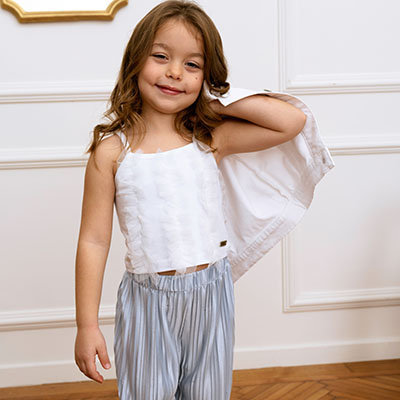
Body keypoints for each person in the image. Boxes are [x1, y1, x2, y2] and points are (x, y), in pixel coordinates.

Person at [74, 1, 334, 399]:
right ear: (135, 61)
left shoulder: (210, 138)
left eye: (192, 65)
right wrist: (87, 325)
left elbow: (291, 121)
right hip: (148, 300)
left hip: (212, 292)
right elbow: (93, 241)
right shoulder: (111, 151)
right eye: (161, 57)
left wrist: (215, 99)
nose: (175, 73)